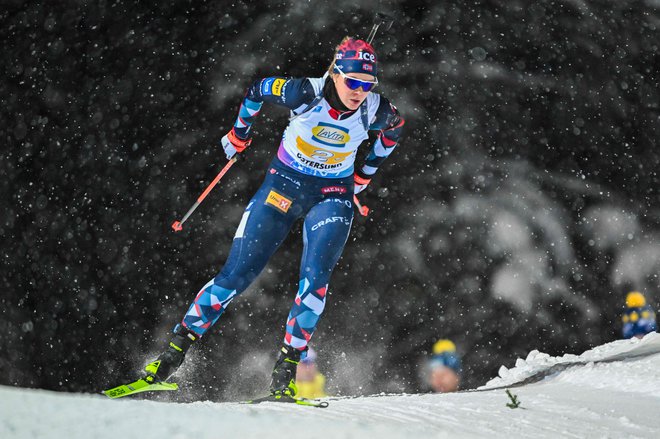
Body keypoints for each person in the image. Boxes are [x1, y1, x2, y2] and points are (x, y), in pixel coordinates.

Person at [141, 37, 404, 399]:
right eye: (352, 82)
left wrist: (364, 175)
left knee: (316, 283)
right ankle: (170, 356)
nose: (359, 91)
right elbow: (257, 89)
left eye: (367, 84)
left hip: (332, 195)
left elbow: (395, 129)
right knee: (235, 275)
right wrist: (238, 133)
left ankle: (286, 375)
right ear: (336, 74)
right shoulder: (303, 92)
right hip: (283, 186)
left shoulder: (375, 109)